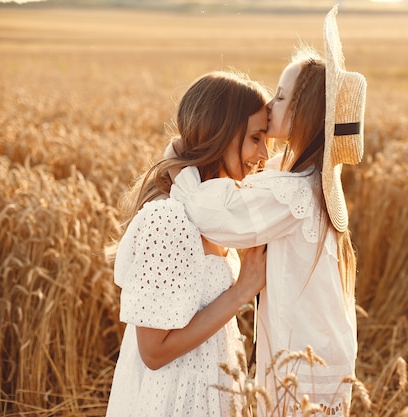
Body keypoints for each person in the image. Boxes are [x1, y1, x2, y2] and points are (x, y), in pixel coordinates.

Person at [170, 6, 367, 416]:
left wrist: (181, 170)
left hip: (305, 367)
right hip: (314, 354)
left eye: (280, 96)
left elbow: (220, 215)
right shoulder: (296, 176)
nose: (269, 103)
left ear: (305, 113)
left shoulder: (293, 194)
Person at [106, 70, 271, 417]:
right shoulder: (169, 218)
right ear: (221, 135)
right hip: (173, 399)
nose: (265, 153)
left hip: (214, 390)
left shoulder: (215, 208)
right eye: (256, 138)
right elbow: (153, 352)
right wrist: (241, 292)